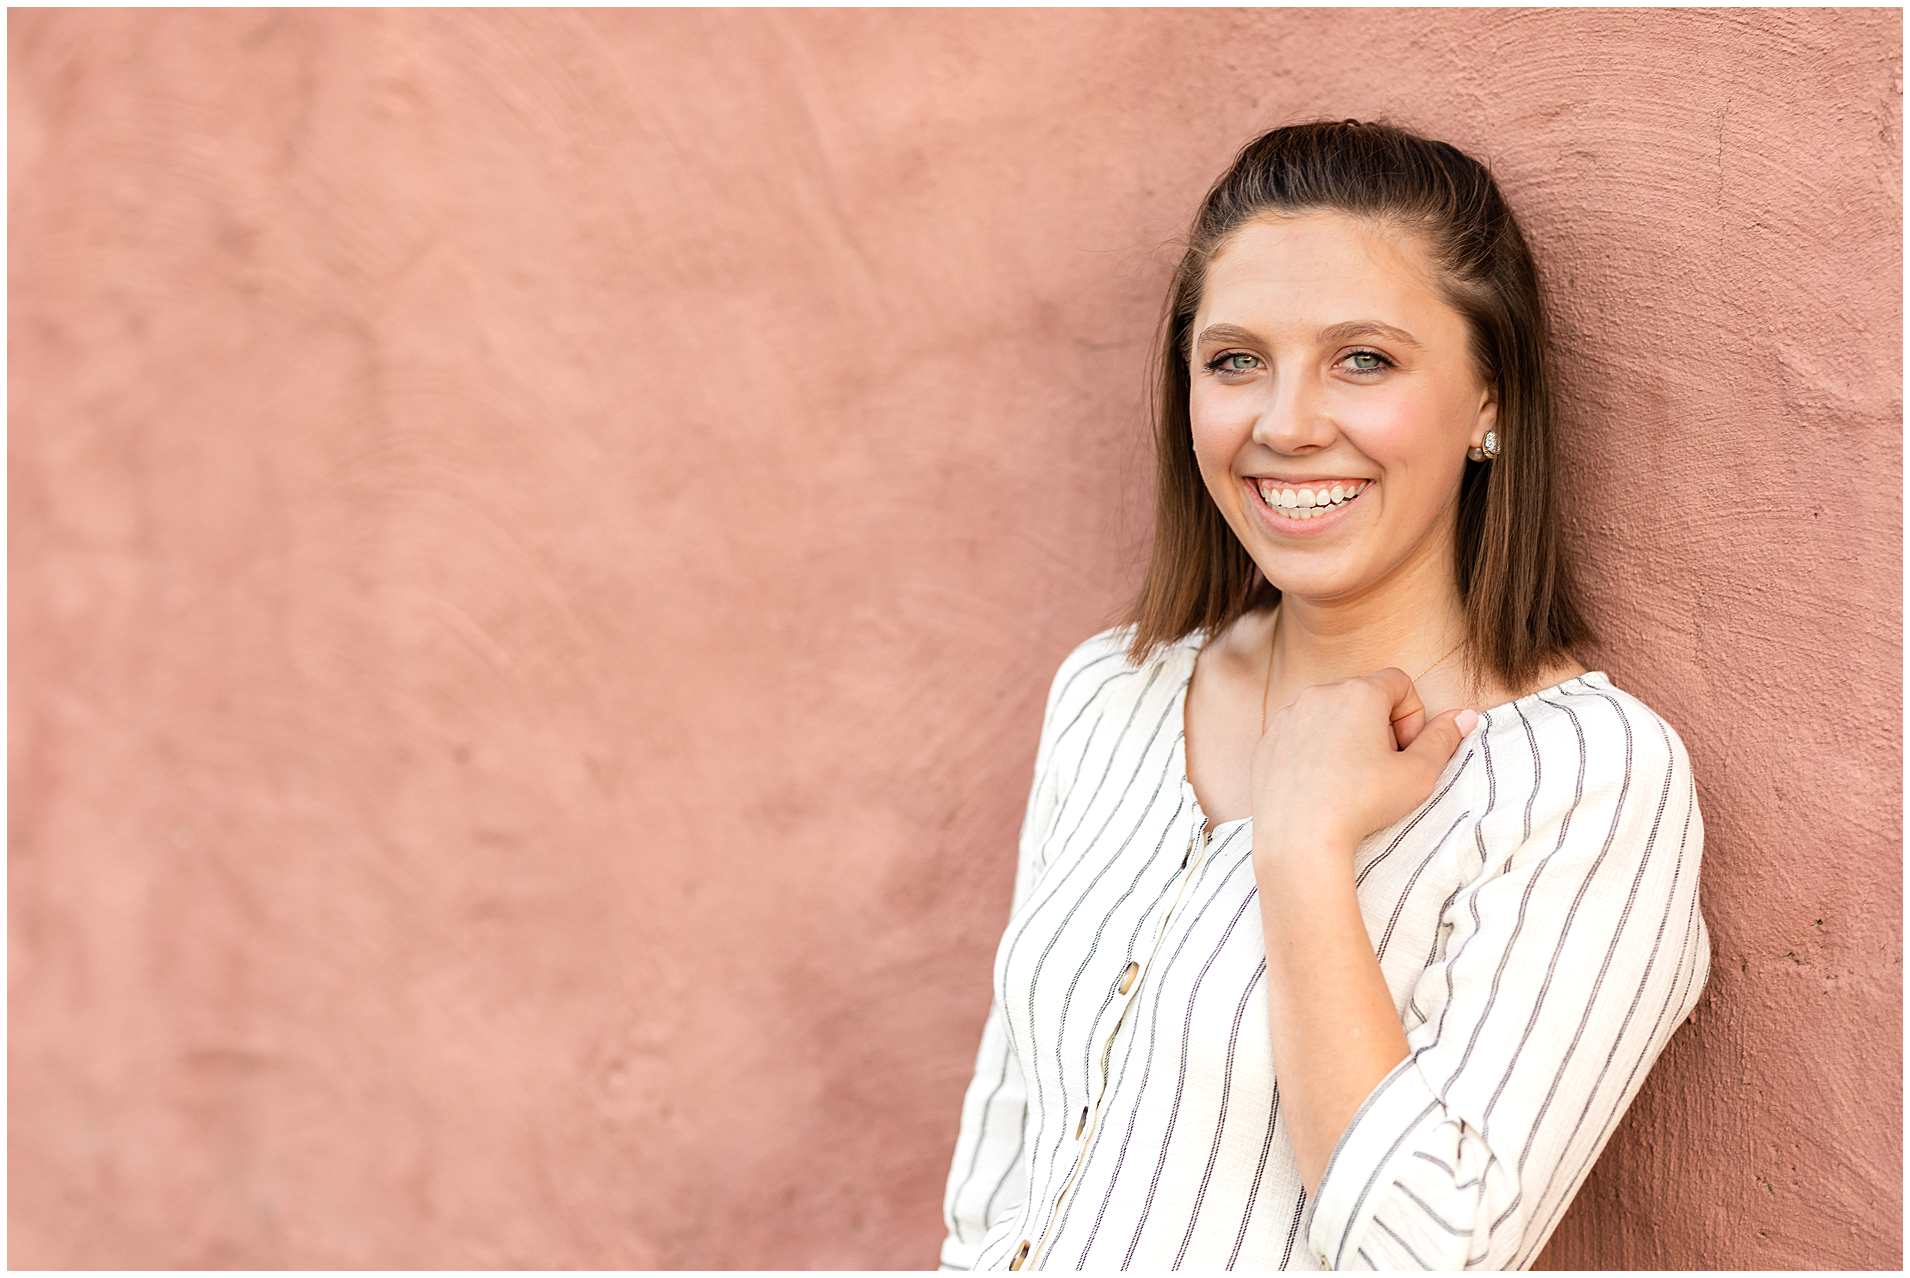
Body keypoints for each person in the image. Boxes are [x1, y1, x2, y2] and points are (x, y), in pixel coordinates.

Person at [935, 118, 1712, 1272]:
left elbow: (1424, 1257)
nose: (1285, 425)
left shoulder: (1582, 782)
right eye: (1234, 360)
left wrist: (1300, 846)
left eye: (1362, 360)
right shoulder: (1113, 693)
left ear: (1489, 400)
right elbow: (1002, 1152)